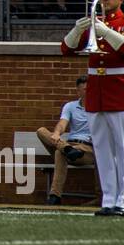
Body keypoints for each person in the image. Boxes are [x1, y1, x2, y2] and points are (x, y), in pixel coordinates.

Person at [60, 0, 124, 216]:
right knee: (102, 149)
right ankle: (109, 199)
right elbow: (66, 49)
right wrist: (78, 29)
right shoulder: (94, 22)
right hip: (96, 90)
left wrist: (106, 32)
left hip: (119, 89)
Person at [35, 76, 92, 206]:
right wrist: (56, 133)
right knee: (41, 131)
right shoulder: (70, 106)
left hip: (87, 149)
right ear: (78, 91)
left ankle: (55, 196)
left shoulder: (99, 108)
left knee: (59, 153)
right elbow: (62, 123)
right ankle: (67, 149)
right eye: (85, 89)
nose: (89, 91)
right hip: (70, 144)